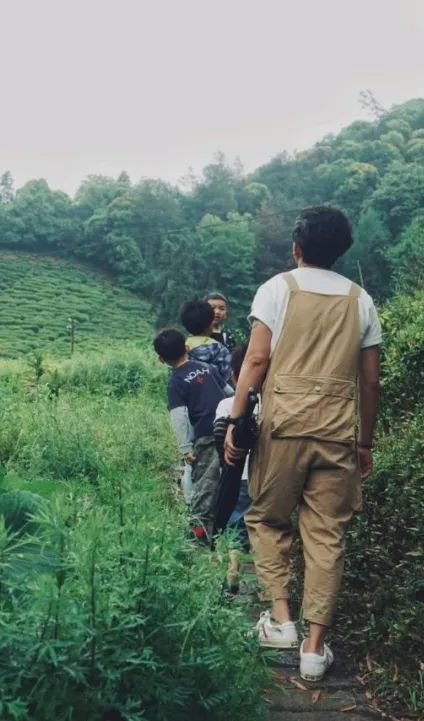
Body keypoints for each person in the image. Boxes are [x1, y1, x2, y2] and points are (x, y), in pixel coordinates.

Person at [223, 205, 382, 683]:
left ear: (296, 248)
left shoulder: (278, 288)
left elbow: (255, 359)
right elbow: (371, 382)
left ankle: (281, 620)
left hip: (282, 428)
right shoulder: (362, 301)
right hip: (336, 433)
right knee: (326, 534)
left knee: (268, 520)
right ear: (341, 250)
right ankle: (315, 649)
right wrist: (365, 441)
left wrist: (234, 421)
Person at [153, 327, 230, 543]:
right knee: (228, 482)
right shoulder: (207, 367)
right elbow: (230, 394)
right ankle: (226, 534)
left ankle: (198, 539)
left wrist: (185, 448)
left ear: (161, 359)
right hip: (228, 429)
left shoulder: (175, 381)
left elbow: (179, 418)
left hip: (206, 436)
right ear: (187, 347)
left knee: (204, 487)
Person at [212, 344, 253, 600]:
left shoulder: (226, 405)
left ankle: (232, 573)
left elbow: (218, 440)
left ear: (234, 377)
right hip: (265, 479)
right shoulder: (272, 405)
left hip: (237, 478)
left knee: (233, 527)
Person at [180, 300, 233, 388]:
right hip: (216, 398)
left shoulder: (181, 349)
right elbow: (229, 378)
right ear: (211, 323)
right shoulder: (219, 350)